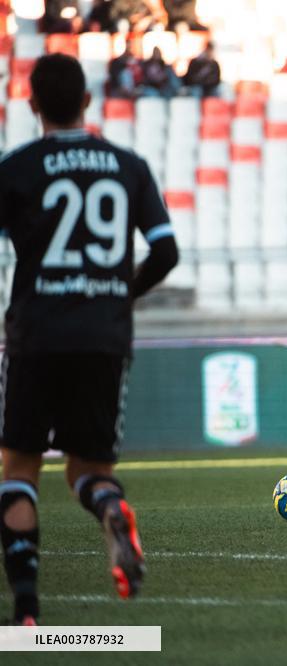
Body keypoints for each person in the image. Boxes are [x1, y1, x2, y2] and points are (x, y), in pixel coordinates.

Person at [0, 54, 180, 625]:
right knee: (88, 470)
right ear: (87, 102)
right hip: (103, 337)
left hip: (36, 332)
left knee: (18, 469)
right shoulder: (128, 165)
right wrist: (116, 295)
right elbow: (166, 250)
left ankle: (27, 613)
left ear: (31, 107)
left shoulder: (18, 167)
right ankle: (109, 508)